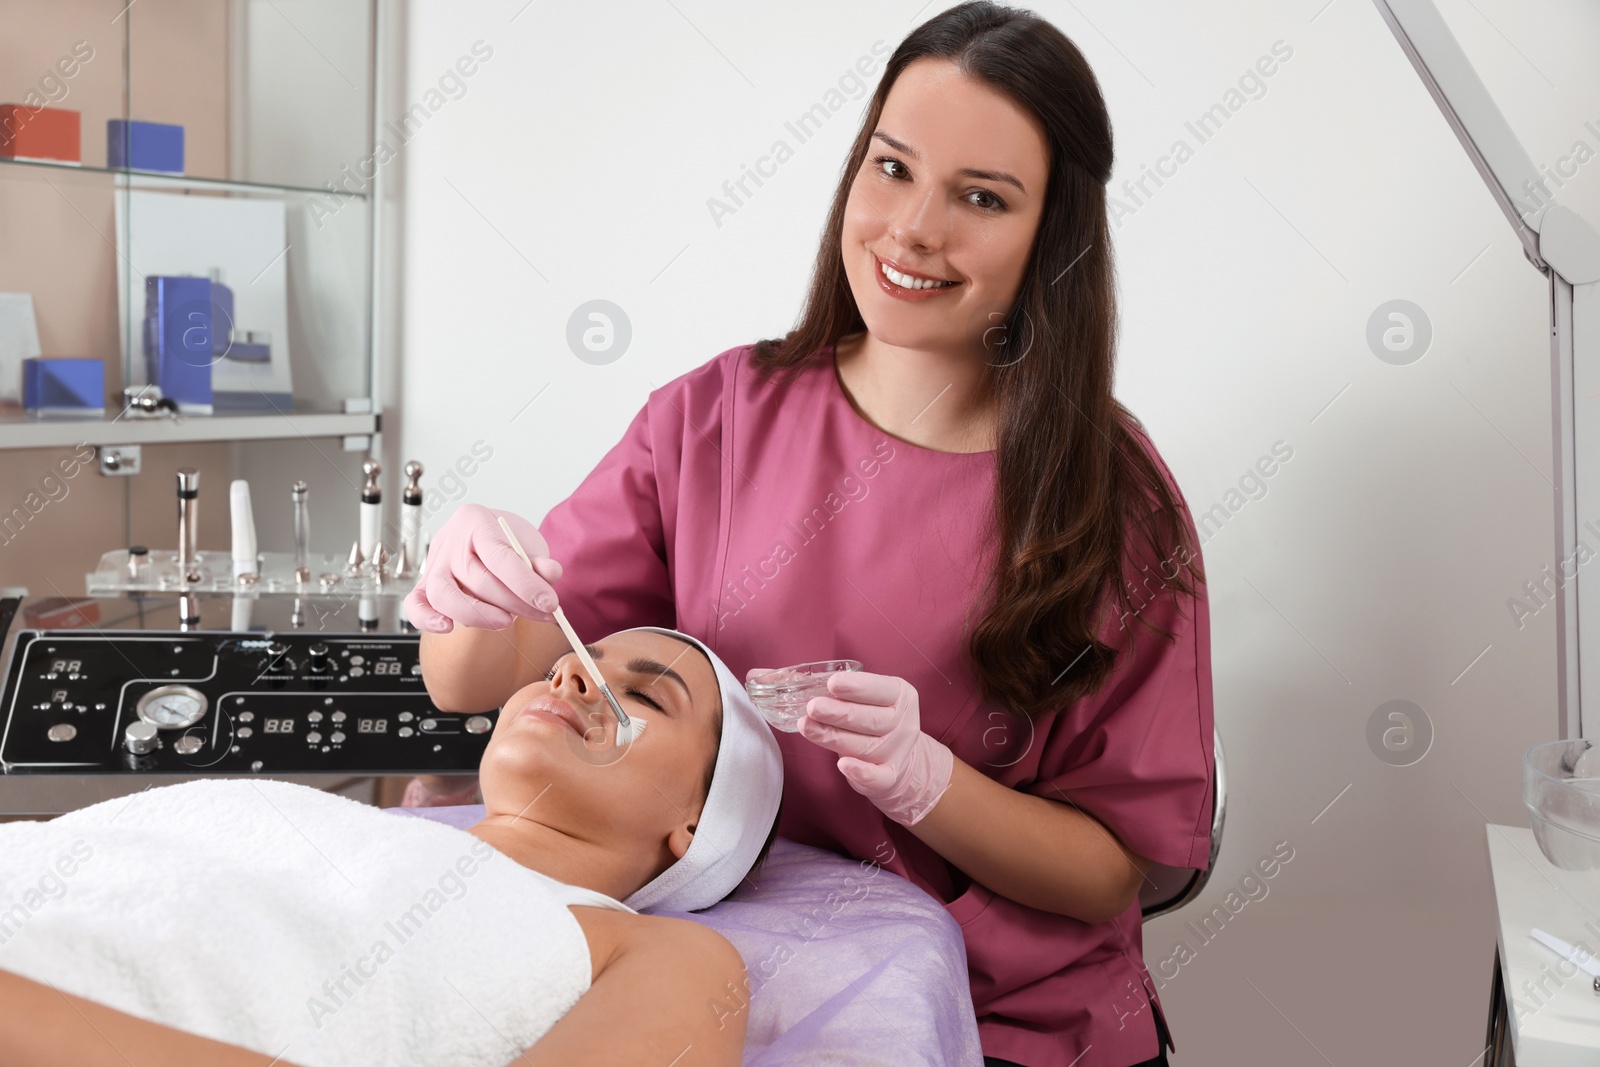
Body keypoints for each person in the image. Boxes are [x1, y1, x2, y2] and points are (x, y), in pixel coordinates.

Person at [405, 3, 1212, 1065]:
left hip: (1011, 1020)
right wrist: (471, 589)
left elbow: (1116, 865)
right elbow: (480, 678)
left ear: (1052, 235)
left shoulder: (1111, 501)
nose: (913, 227)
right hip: (735, 976)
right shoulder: (713, 419)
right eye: (890, 168)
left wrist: (933, 785)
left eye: (980, 197)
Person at [0, 628, 783, 1067]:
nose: (576, 675)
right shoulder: (339, 826)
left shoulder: (663, 949)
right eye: (565, 663)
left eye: (642, 695)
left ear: (696, 820)